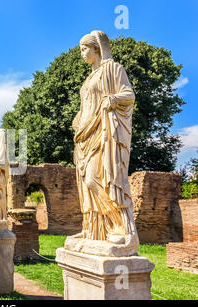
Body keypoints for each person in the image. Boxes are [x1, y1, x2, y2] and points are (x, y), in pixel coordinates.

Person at [72, 30, 139, 250]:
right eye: (80, 49)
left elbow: (129, 94)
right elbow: (86, 106)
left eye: (85, 48)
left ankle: (120, 226)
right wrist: (77, 120)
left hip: (104, 132)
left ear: (97, 48)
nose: (82, 53)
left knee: (96, 179)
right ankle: (94, 229)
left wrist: (113, 99)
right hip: (85, 135)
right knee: (86, 186)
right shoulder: (88, 78)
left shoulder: (113, 69)